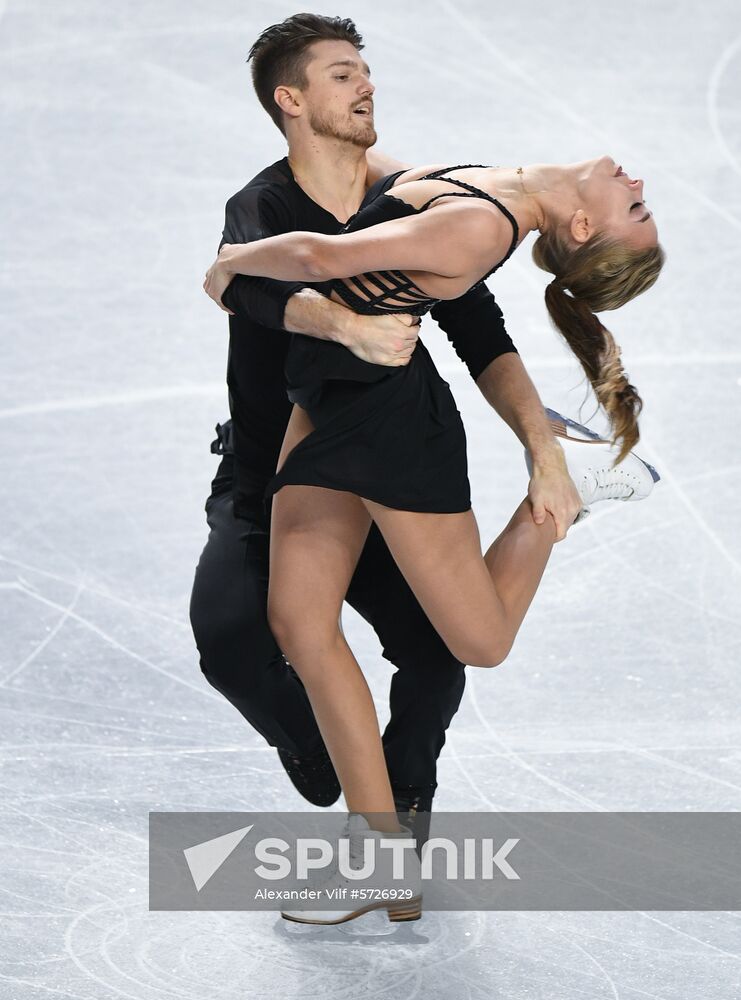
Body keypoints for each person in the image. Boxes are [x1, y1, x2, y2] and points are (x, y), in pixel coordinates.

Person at [189, 13, 581, 872]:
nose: (365, 84)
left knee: (438, 653)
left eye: (363, 70)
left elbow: (479, 329)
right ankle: (326, 756)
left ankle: (397, 813)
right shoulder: (262, 207)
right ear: (291, 101)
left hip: (377, 468)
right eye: (341, 74)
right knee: (230, 643)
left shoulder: (408, 197)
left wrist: (541, 447)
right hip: (272, 470)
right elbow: (245, 290)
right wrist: (342, 325)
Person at [202, 157, 665, 831]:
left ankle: (565, 493)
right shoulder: (490, 177)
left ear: (583, 225)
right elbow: (362, 176)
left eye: (635, 209)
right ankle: (378, 845)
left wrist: (231, 263)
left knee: (482, 641)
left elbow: (317, 258)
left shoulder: (482, 226)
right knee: (299, 624)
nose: (638, 186)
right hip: (327, 396)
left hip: (390, 423)